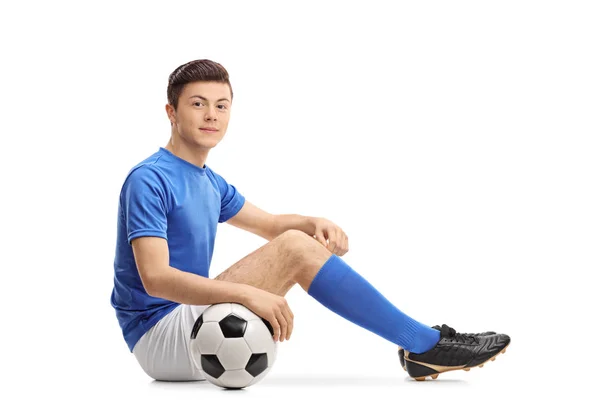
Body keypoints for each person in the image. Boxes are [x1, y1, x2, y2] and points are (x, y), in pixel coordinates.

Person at [110, 59, 510, 383]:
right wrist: (248, 294)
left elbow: (268, 225)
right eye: (197, 103)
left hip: (188, 320)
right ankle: (423, 345)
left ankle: (422, 343)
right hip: (157, 335)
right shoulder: (150, 178)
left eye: (221, 105)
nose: (211, 115)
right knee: (295, 249)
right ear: (171, 112)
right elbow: (156, 278)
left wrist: (312, 222)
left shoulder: (208, 181)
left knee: (298, 241)